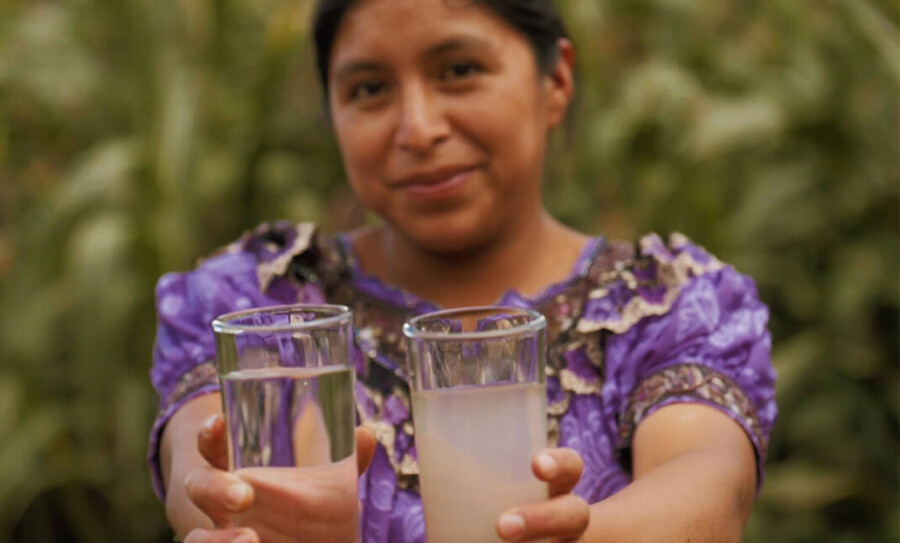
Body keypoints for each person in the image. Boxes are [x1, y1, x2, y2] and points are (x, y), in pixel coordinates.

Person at [149, 0, 777, 541]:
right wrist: (222, 501)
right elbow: (197, 463)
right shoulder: (260, 298)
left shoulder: (667, 303)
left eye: (459, 71)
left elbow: (705, 493)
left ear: (555, 80)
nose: (418, 130)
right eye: (368, 89)